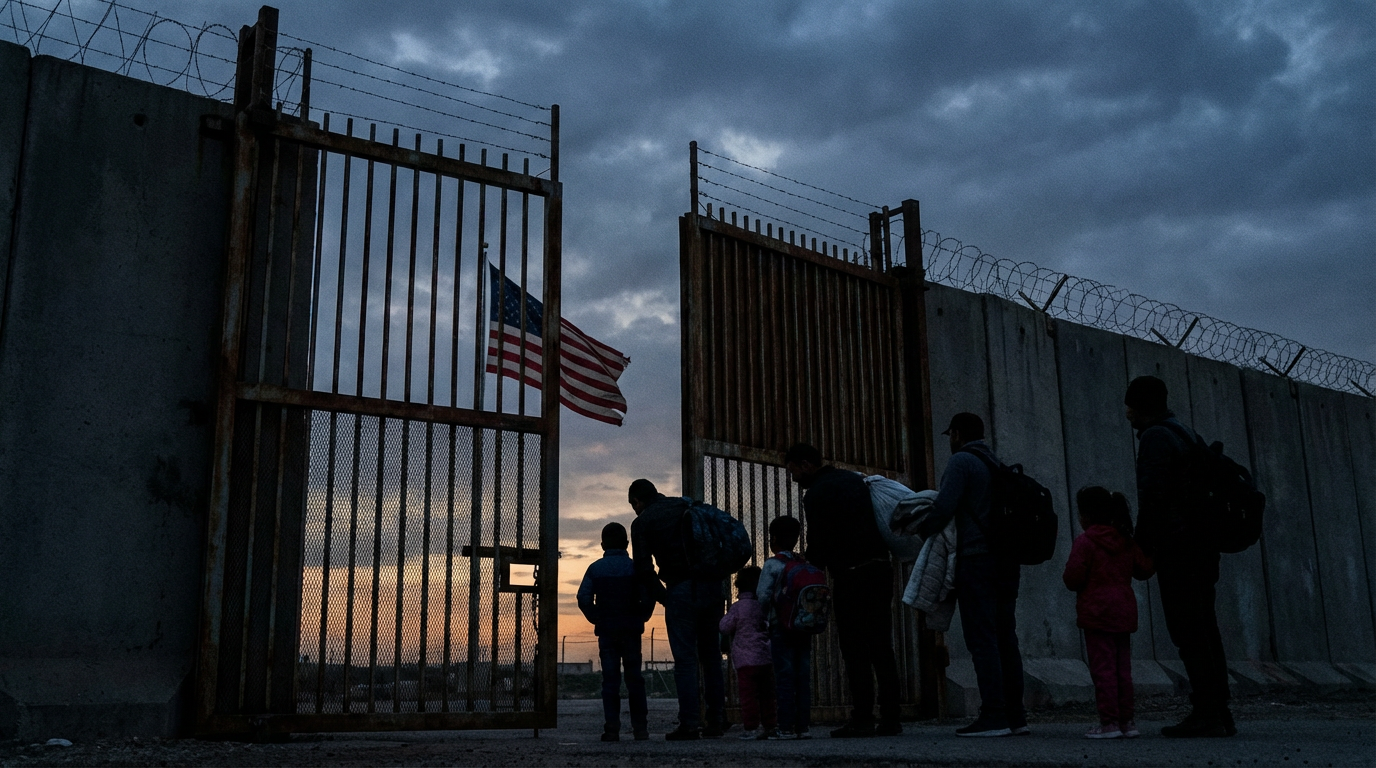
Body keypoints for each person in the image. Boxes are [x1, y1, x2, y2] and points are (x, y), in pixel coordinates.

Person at [1126, 375, 1236, 737]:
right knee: (1205, 628)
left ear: (1139, 405)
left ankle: (1207, 713)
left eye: (1130, 406)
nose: (1127, 414)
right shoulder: (1186, 433)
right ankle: (1218, 710)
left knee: (1188, 631)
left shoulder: (1157, 438)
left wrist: (1141, 545)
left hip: (1180, 548)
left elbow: (1153, 497)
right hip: (1202, 546)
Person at [915, 412, 1027, 737]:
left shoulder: (962, 461)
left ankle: (994, 715)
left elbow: (944, 507)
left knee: (982, 640)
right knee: (1006, 638)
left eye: (950, 435)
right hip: (1007, 564)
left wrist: (920, 529)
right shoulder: (996, 463)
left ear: (957, 434)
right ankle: (1016, 716)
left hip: (977, 561)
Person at [784, 443, 901, 738]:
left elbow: (820, 544)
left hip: (851, 576)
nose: (794, 477)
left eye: (794, 470)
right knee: (881, 646)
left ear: (806, 464)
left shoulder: (817, 494)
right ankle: (891, 718)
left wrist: (807, 563)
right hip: (879, 569)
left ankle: (862, 718)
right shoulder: (854, 480)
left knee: (855, 649)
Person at [628, 478, 726, 740]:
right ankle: (716, 720)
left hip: (681, 588)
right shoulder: (686, 505)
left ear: (637, 501)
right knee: (712, 656)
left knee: (685, 661)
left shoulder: (643, 522)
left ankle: (690, 724)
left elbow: (644, 570)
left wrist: (664, 598)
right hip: (713, 586)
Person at [1063, 486, 1155, 739]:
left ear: (1087, 515)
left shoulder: (1085, 542)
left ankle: (1109, 723)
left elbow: (1072, 578)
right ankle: (1128, 721)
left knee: (1103, 669)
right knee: (1122, 669)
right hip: (1123, 610)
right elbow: (1144, 569)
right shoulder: (1125, 539)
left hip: (1097, 612)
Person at [576, 522, 654, 742]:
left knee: (610, 680)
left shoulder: (595, 568)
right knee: (634, 679)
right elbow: (648, 595)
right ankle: (641, 729)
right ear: (627, 544)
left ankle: (612, 729)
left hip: (607, 631)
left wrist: (595, 616)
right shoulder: (635, 567)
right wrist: (642, 615)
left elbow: (583, 598)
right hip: (631, 630)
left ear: (602, 545)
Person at [758, 515, 813, 739]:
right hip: (803, 626)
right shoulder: (803, 564)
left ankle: (785, 727)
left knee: (784, 677)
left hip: (780, 626)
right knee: (802, 677)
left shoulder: (773, 564)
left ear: (773, 539)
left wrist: (765, 617)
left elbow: (762, 595)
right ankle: (803, 727)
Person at [719, 566, 778, 740]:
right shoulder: (764, 605)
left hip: (745, 661)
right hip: (765, 658)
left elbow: (724, 626)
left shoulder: (738, 608)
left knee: (748, 696)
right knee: (768, 695)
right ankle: (770, 726)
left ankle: (751, 727)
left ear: (738, 586)